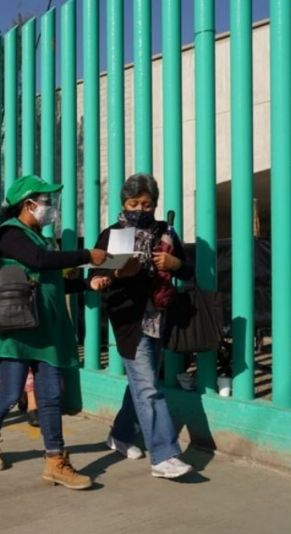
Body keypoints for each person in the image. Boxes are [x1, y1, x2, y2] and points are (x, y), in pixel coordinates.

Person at [0, 175, 109, 490]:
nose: (51, 207)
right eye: (46, 201)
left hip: (46, 329)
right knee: (10, 392)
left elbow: (51, 278)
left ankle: (55, 461)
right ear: (28, 203)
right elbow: (38, 261)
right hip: (16, 328)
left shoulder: (43, 240)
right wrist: (86, 255)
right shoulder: (7, 234)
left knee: (49, 396)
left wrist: (86, 282)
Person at [90, 173, 195, 480]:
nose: (140, 209)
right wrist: (98, 280)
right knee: (149, 387)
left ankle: (120, 435)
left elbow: (188, 268)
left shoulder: (165, 232)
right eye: (133, 203)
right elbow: (94, 271)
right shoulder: (111, 234)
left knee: (140, 383)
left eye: (146, 204)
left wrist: (174, 265)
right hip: (127, 319)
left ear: (155, 205)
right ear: (123, 203)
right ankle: (164, 455)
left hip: (158, 317)